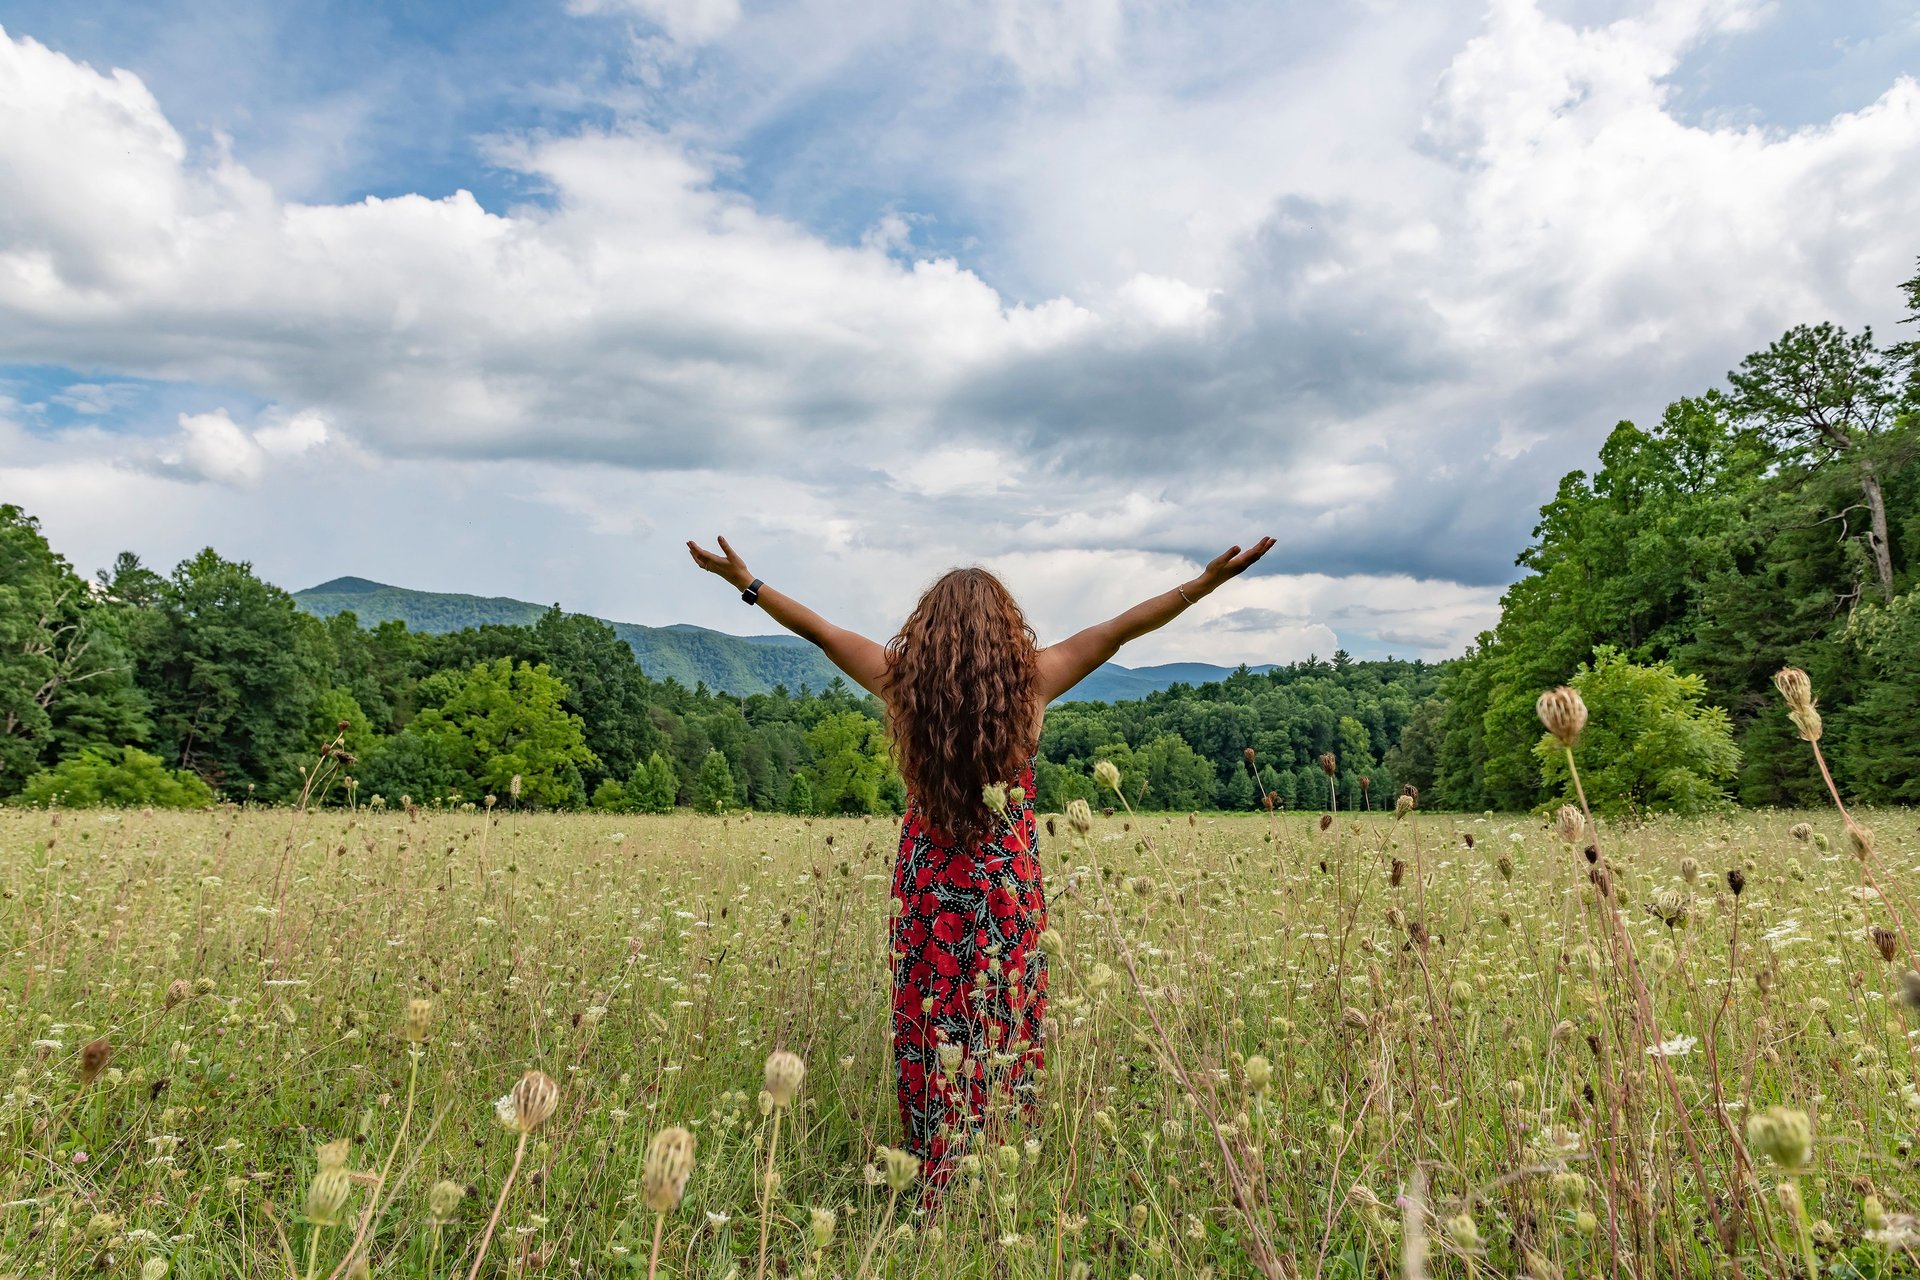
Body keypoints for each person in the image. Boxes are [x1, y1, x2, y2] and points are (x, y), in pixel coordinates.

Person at [687, 535, 1275, 1183]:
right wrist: (1206, 584)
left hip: (927, 889)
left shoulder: (902, 681)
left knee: (931, 1017)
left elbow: (822, 633)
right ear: (1005, 629)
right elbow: (1119, 630)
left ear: (928, 632)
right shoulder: (1034, 684)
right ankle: (998, 1170)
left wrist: (747, 583)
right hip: (1006, 887)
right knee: (1003, 1022)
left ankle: (932, 1169)